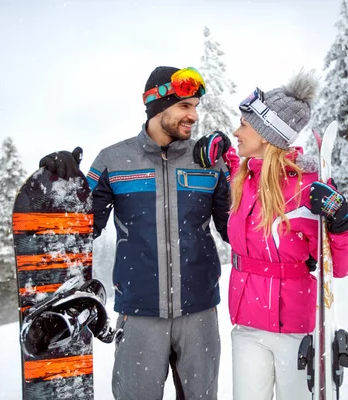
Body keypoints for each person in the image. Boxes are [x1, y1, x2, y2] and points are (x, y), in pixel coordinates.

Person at [40, 66, 231, 400]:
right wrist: (60, 188)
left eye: (196, 107)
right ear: (159, 106)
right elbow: (84, 227)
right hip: (140, 316)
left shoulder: (207, 161)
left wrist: (242, 166)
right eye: (185, 106)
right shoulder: (114, 161)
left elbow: (236, 228)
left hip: (200, 315)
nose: (194, 115)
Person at [193, 71, 348, 400]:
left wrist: (343, 221)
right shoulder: (243, 179)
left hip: (295, 329)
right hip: (247, 327)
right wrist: (223, 151)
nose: (236, 131)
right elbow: (243, 177)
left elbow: (338, 267)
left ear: (266, 133)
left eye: (243, 125)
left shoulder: (309, 186)